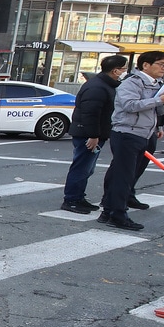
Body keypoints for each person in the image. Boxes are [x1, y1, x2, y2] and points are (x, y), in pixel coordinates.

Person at [100, 51, 164, 231]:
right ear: (146, 65)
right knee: (123, 175)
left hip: (144, 133)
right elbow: (129, 105)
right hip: (128, 133)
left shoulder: (156, 84)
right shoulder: (132, 82)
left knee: (128, 174)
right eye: (160, 64)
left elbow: (157, 111)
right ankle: (117, 214)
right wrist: (159, 99)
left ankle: (109, 210)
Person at [61, 54, 127, 214]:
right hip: (88, 134)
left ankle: (78, 197)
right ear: (115, 70)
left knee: (87, 168)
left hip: (94, 132)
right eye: (124, 68)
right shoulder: (97, 87)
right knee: (82, 167)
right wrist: (93, 135)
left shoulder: (107, 85)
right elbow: (90, 113)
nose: (126, 71)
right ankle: (71, 199)